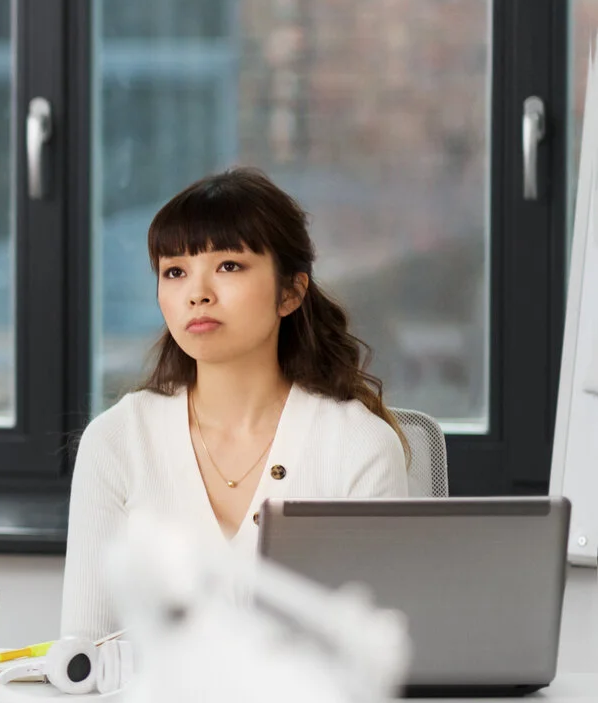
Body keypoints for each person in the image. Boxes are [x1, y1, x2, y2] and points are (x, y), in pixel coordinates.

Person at [61, 168, 409, 638]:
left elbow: (378, 660)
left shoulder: (359, 444)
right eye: (175, 272)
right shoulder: (117, 439)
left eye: (228, 266)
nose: (197, 293)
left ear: (291, 292)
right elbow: (84, 651)